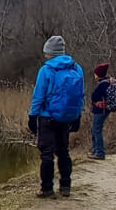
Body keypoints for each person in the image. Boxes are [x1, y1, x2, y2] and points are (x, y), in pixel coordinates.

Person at [28, 35, 85, 199]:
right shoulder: (76, 68)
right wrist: (77, 115)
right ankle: (65, 186)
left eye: (46, 52)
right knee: (64, 152)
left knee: (47, 154)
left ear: (50, 53)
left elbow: (38, 95)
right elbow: (80, 95)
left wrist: (33, 116)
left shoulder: (46, 70)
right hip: (67, 117)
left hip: (47, 117)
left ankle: (47, 189)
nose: (45, 55)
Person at [89, 62, 111, 160]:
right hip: (104, 110)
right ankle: (95, 150)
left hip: (100, 110)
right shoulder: (108, 82)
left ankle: (99, 152)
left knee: (96, 130)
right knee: (95, 129)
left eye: (95, 73)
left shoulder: (103, 84)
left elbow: (94, 97)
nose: (94, 75)